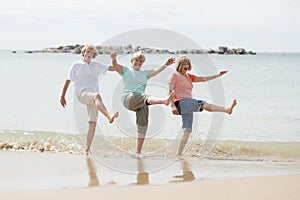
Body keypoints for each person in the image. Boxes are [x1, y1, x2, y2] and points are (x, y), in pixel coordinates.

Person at [168, 55, 237, 156]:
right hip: (180, 102)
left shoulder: (189, 77)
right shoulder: (174, 75)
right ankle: (226, 110)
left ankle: (178, 154)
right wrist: (172, 106)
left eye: (187, 64)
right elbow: (170, 91)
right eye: (184, 64)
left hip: (188, 104)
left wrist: (218, 75)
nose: (186, 66)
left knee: (187, 130)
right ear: (179, 65)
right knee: (203, 104)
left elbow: (204, 79)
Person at [110, 51, 175, 156]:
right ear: (132, 61)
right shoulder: (126, 71)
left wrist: (166, 64)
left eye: (141, 61)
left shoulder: (145, 74)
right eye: (136, 60)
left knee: (143, 125)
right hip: (128, 98)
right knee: (145, 97)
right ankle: (164, 100)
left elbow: (156, 71)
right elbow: (116, 66)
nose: (138, 62)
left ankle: (138, 152)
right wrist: (113, 59)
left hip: (141, 101)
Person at [60, 44, 119, 155]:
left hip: (93, 98)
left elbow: (113, 68)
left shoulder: (95, 66)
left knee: (92, 123)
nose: (89, 54)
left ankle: (87, 149)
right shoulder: (76, 65)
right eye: (87, 51)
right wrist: (63, 96)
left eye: (92, 53)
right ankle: (108, 115)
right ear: (83, 53)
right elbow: (68, 81)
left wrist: (114, 60)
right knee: (97, 96)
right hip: (82, 94)